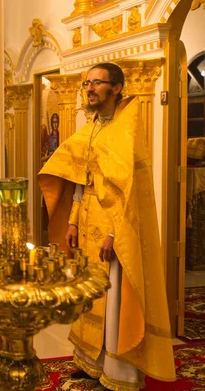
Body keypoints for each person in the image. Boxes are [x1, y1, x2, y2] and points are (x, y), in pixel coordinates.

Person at [38, 63, 175, 390]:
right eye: (87, 83)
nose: (89, 89)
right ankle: (91, 362)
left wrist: (115, 233)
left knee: (114, 299)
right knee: (91, 295)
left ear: (116, 88)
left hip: (115, 229)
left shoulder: (127, 130)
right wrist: (72, 221)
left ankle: (118, 370)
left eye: (97, 83)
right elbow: (80, 181)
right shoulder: (92, 128)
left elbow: (129, 190)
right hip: (86, 225)